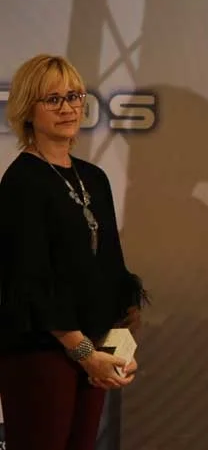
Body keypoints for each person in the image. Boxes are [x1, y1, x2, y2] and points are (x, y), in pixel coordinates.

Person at [0, 54, 147, 450]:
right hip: (40, 352)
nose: (67, 108)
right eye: (53, 99)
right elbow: (30, 284)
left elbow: (112, 268)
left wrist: (117, 345)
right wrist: (83, 352)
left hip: (94, 347)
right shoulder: (21, 182)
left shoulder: (94, 178)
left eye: (74, 96)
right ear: (27, 109)